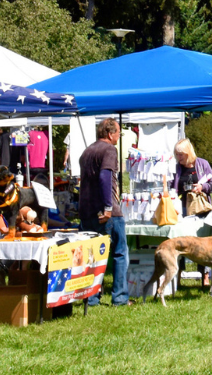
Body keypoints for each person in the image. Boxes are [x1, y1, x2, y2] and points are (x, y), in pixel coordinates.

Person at [78, 118, 129, 306]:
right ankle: (120, 297)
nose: (118, 137)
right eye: (118, 133)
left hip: (86, 210)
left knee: (93, 256)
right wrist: (108, 207)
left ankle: (91, 298)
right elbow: (105, 177)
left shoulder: (87, 151)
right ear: (110, 133)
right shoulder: (109, 150)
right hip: (106, 212)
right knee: (119, 252)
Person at [172, 138, 212, 216]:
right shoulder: (176, 168)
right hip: (182, 208)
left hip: (201, 207)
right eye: (176, 154)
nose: (178, 157)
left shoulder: (203, 164)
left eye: (181, 154)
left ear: (188, 153)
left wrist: (202, 187)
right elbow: (171, 188)